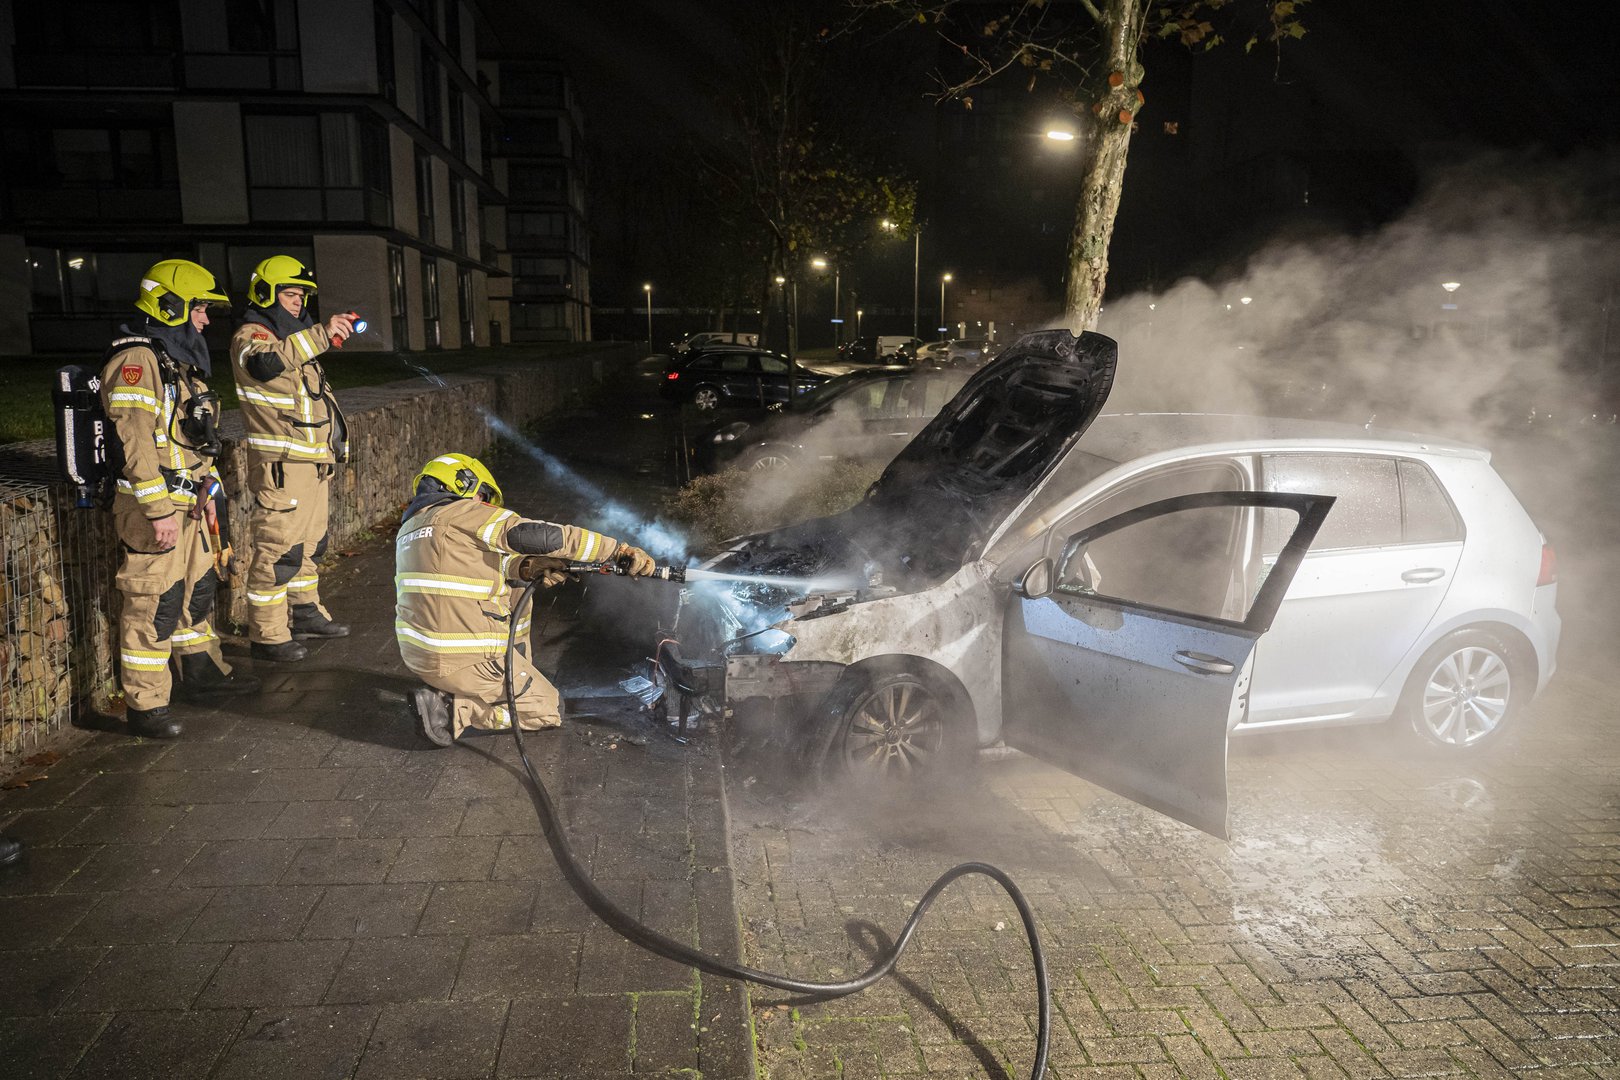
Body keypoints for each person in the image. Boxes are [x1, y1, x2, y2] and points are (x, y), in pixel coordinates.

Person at [395, 453, 657, 745]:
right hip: (466, 662)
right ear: (464, 484)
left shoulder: (412, 529)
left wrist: (527, 566)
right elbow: (542, 536)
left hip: (420, 658)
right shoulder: (462, 512)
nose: (483, 505)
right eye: (483, 496)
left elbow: (470, 566)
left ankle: (505, 676)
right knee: (548, 709)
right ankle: (455, 711)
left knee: (518, 582)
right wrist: (615, 550)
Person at [101, 259, 259, 739]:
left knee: (194, 590)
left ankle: (200, 670)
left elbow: (193, 440)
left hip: (188, 503)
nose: (206, 320)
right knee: (155, 601)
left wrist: (207, 491)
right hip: (154, 510)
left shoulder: (177, 363)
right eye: (199, 309)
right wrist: (157, 510)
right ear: (169, 306)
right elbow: (136, 444)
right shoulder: (138, 362)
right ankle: (145, 706)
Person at [229, 256, 355, 662]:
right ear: (266, 294)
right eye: (290, 293)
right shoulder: (253, 336)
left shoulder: (291, 338)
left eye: (302, 295)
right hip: (282, 465)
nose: (298, 301)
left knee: (310, 546)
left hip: (310, 463)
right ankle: (267, 635)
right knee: (278, 550)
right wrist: (320, 335)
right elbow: (267, 364)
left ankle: (303, 612)